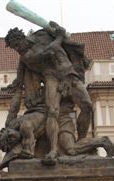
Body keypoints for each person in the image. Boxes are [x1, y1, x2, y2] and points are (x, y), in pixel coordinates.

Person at [5, 22, 92, 161]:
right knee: (52, 111)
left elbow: (61, 39)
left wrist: (59, 31)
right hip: (52, 77)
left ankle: (82, 140)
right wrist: (59, 37)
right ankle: (53, 150)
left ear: (22, 38)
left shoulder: (41, 35)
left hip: (69, 74)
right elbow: (49, 52)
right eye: (14, 47)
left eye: (17, 45)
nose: (17, 49)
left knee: (87, 105)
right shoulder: (26, 56)